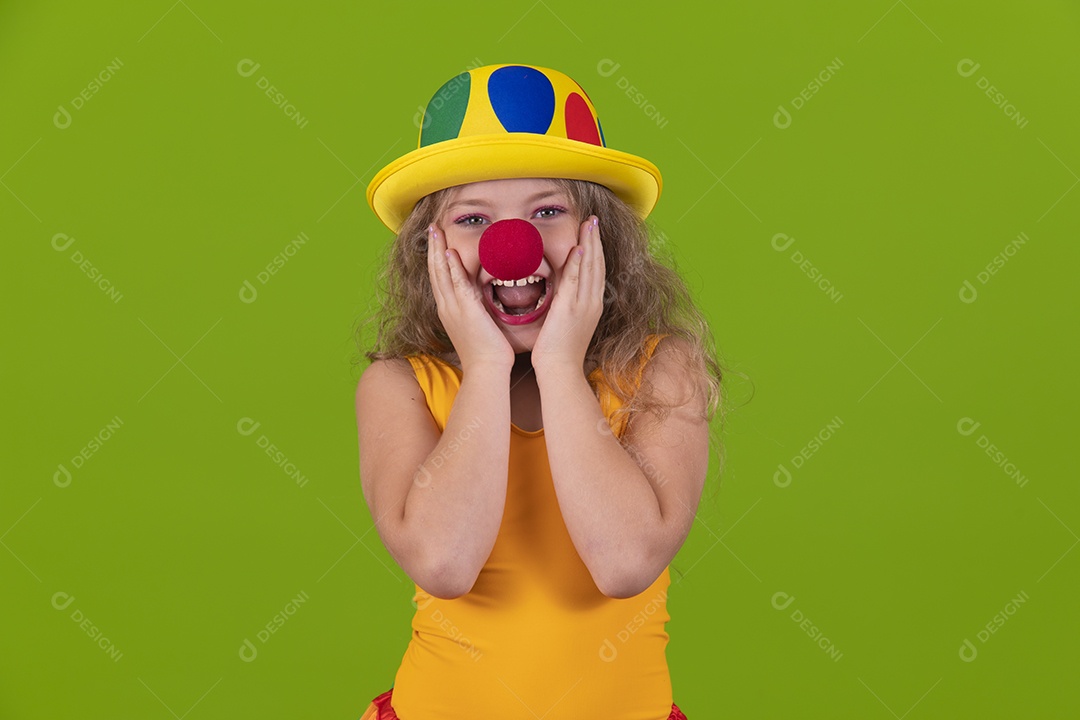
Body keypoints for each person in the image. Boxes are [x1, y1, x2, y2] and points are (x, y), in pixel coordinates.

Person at [354, 63, 724, 720]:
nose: (510, 248)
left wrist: (559, 364)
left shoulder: (663, 369)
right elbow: (442, 563)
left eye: (548, 211)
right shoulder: (399, 386)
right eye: (472, 220)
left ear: (599, 235)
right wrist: (486, 368)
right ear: (430, 249)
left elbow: (625, 562)